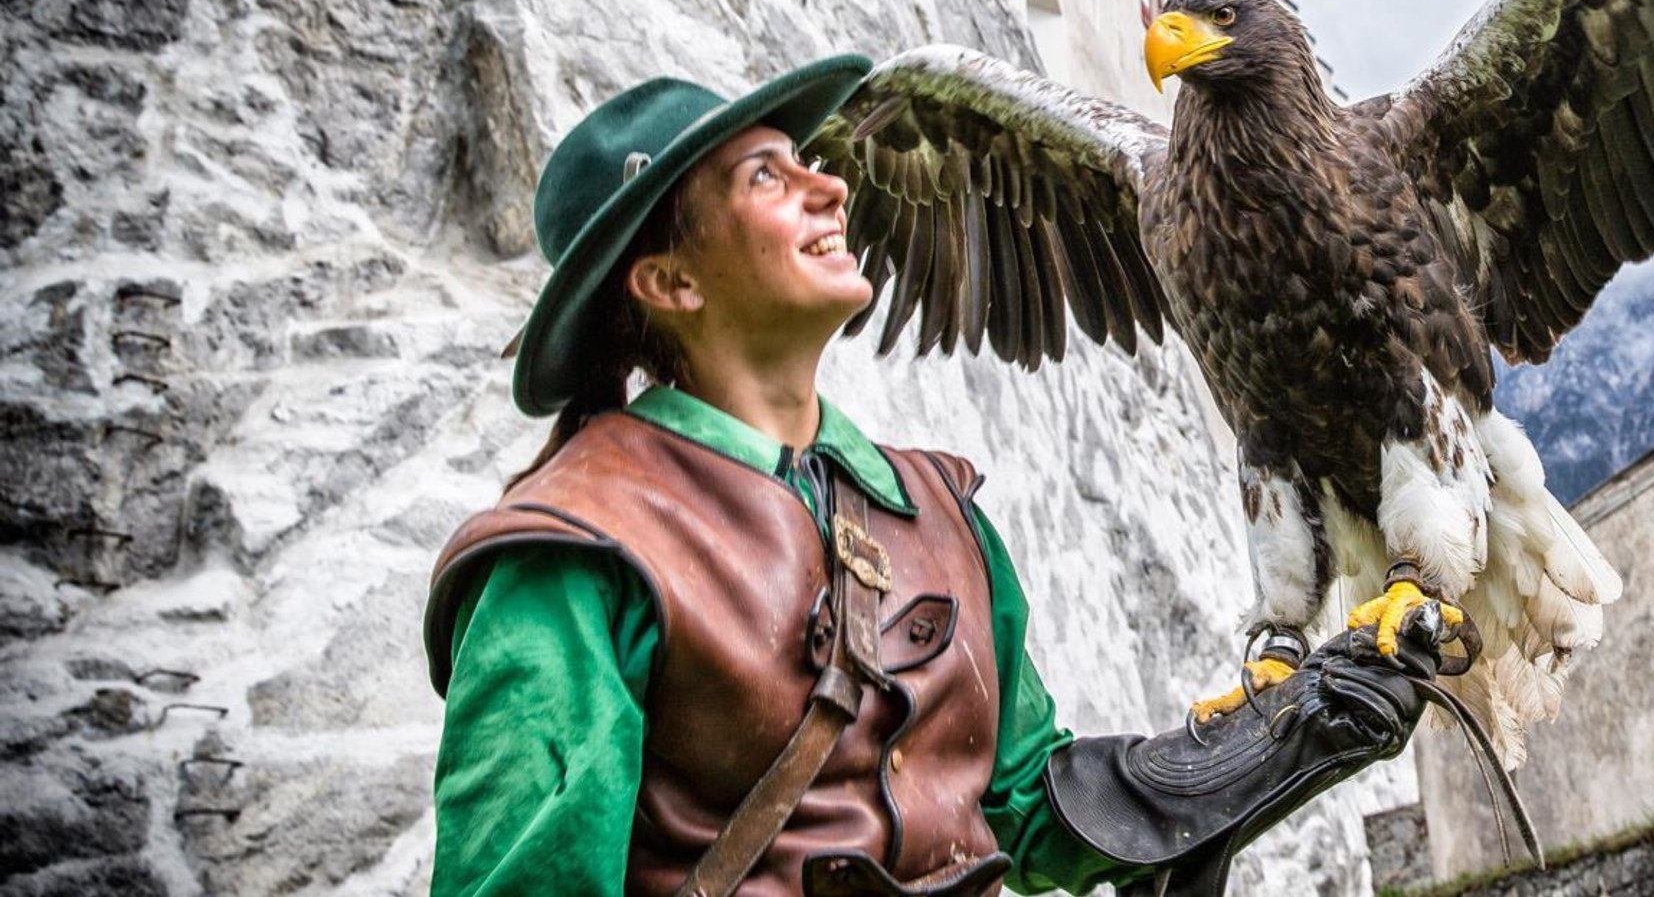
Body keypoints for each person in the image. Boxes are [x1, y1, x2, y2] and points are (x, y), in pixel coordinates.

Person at [422, 57, 1445, 897]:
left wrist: (1285, 736)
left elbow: (1033, 815)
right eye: (765, 178)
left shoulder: (934, 511)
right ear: (671, 281)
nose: (829, 183)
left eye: (805, 161)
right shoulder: (570, 551)